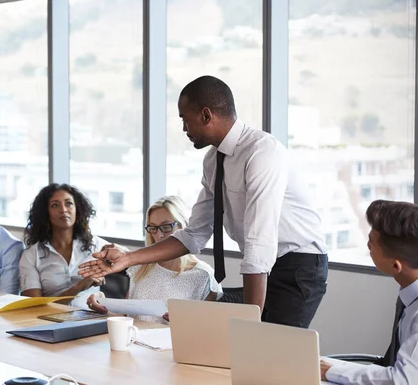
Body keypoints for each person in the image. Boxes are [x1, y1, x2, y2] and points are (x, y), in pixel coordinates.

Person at [79, 75, 328, 328]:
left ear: (206, 115)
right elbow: (194, 234)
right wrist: (129, 258)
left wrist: (250, 325)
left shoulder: (261, 153)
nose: (184, 129)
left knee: (272, 348)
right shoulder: (213, 161)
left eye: (185, 119)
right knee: (250, 350)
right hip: (265, 264)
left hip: (298, 264)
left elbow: (259, 242)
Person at [321, 200, 418, 384]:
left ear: (395, 265)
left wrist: (332, 372)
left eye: (371, 242)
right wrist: (334, 368)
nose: (367, 246)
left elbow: (403, 380)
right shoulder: (409, 295)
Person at [86, 196, 222, 324]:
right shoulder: (140, 268)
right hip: (136, 341)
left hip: (174, 345)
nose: (160, 234)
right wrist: (102, 303)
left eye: (166, 226)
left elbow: (209, 327)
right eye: (153, 228)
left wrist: (185, 321)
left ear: (182, 227)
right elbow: (126, 317)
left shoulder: (203, 275)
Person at [19, 183, 110, 306]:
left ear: (77, 209)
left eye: (69, 203)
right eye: (55, 205)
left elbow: (128, 259)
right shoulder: (31, 255)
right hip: (49, 322)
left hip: (91, 318)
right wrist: (79, 286)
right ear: (45, 213)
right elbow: (34, 307)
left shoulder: (96, 245)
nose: (63, 209)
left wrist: (117, 250)